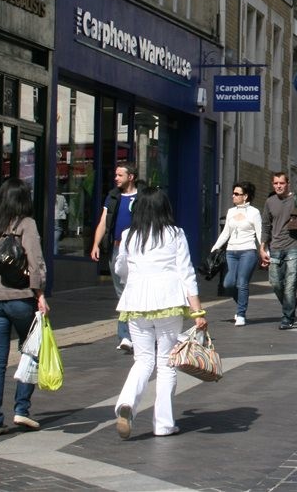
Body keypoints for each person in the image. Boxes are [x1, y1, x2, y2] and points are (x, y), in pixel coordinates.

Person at [113, 187, 207, 438]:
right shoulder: (174, 234)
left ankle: (126, 403)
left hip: (135, 302)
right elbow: (186, 272)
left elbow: (121, 269)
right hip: (168, 301)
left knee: (142, 360)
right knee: (166, 363)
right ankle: (164, 424)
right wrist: (197, 312)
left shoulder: (128, 236)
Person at [0, 178, 49, 436]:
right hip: (20, 297)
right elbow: (35, 261)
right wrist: (40, 293)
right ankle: (21, 409)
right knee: (32, 349)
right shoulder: (26, 224)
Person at [90, 162, 139, 352]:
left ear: (131, 177)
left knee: (132, 291)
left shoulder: (141, 197)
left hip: (136, 250)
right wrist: (96, 244)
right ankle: (127, 335)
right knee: (121, 292)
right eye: (116, 175)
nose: (116, 178)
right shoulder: (112, 196)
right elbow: (103, 222)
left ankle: (130, 334)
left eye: (120, 175)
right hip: (116, 249)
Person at [260, 172, 297, 329]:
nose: (278, 186)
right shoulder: (269, 202)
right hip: (275, 247)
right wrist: (262, 247)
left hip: (293, 246)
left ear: (288, 184)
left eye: (281, 183)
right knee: (275, 282)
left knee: (290, 283)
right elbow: (265, 225)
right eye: (276, 183)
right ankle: (291, 302)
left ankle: (287, 317)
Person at [210, 182, 261, 326]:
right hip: (231, 252)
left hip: (248, 251)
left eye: (237, 194)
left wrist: (264, 250)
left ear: (245, 196)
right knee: (228, 283)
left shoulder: (254, 212)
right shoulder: (231, 212)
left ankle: (241, 314)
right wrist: (215, 248)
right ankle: (241, 304)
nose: (233, 196)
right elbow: (226, 232)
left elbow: (260, 233)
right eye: (233, 193)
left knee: (242, 283)